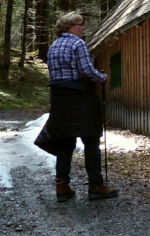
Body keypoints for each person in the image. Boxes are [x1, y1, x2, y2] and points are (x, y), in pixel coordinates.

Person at [34, 11, 118, 202]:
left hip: (60, 100)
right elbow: (86, 71)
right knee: (91, 140)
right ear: (70, 27)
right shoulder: (77, 43)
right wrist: (102, 77)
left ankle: (62, 186)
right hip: (80, 98)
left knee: (65, 142)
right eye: (80, 24)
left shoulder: (53, 45)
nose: (83, 28)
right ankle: (96, 186)